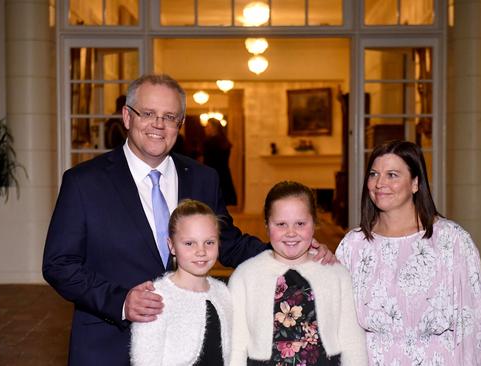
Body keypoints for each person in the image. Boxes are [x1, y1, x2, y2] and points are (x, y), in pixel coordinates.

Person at [42, 73, 334, 365]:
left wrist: (292, 252)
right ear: (127, 118)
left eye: (170, 117)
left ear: (179, 125)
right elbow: (59, 264)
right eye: (148, 113)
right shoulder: (84, 182)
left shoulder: (202, 179)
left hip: (189, 344)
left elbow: (229, 242)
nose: (159, 124)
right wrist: (119, 302)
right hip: (108, 344)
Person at [335, 140, 481, 365]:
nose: (379, 183)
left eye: (392, 175)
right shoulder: (353, 246)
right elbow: (338, 323)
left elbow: (473, 326)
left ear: (415, 183)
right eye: (373, 174)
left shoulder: (451, 241)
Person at [228, 181, 367, 365]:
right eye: (281, 224)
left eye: (300, 223)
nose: (291, 232)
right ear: (266, 225)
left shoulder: (336, 274)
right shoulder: (244, 276)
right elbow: (236, 347)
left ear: (315, 223)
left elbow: (353, 344)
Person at [130, 199, 231, 365]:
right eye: (189, 243)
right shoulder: (156, 298)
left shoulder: (223, 293)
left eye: (209, 242)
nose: (201, 251)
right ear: (172, 246)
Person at [203, 118, 237, 206]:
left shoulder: (210, 142)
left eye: (208, 126)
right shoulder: (224, 141)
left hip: (213, 175)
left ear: (214, 128)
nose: (205, 128)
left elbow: (208, 162)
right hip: (224, 174)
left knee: (212, 204)